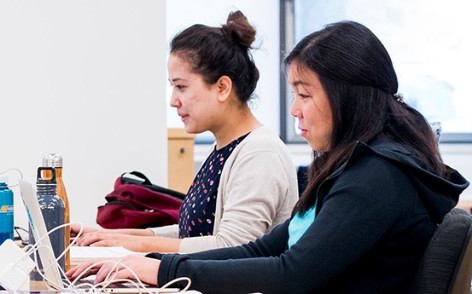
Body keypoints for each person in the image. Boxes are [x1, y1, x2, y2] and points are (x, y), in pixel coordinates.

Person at [67, 21, 469, 293]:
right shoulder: (350, 167)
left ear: (348, 95)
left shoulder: (377, 176)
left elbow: (292, 273)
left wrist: (159, 269)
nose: (294, 109)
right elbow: (263, 249)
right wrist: (150, 262)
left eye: (305, 94)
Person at [71, 11, 298, 253]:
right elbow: (193, 233)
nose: (173, 101)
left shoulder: (260, 153)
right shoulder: (224, 149)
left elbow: (230, 247)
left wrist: (133, 244)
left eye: (181, 86)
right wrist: (107, 236)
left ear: (222, 87)